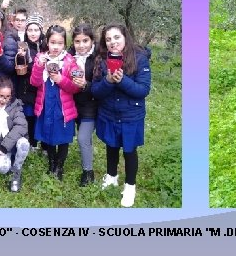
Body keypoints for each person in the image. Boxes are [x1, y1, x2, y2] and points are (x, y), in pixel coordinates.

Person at [91, 24, 152, 207]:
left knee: (129, 150)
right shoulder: (101, 60)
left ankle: (130, 186)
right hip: (108, 112)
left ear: (125, 37)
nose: (112, 42)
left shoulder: (139, 59)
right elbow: (95, 90)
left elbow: (143, 90)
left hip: (130, 115)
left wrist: (122, 81)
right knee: (111, 145)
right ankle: (111, 176)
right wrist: (108, 82)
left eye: (116, 37)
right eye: (108, 39)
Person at [30, 24, 80, 181]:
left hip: (63, 107)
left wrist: (60, 79)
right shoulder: (40, 57)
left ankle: (60, 165)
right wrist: (38, 66)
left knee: (63, 138)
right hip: (46, 105)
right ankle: (51, 162)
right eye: (53, 42)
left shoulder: (70, 61)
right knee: (49, 135)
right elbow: (34, 82)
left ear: (65, 43)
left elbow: (75, 88)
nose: (56, 46)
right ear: (47, 42)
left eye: (60, 43)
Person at [68, 24, 100, 186]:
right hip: (71, 104)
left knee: (82, 138)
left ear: (92, 40)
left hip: (90, 106)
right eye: (77, 41)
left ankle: (88, 172)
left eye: (85, 41)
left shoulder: (99, 58)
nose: (81, 45)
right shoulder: (68, 56)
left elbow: (102, 87)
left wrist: (86, 85)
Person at [20, 13, 47, 149]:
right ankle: (31, 142)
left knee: (40, 117)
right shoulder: (23, 47)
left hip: (42, 90)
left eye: (36, 30)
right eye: (30, 30)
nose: (33, 33)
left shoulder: (46, 47)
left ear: (41, 31)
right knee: (29, 117)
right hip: (27, 89)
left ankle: (41, 142)